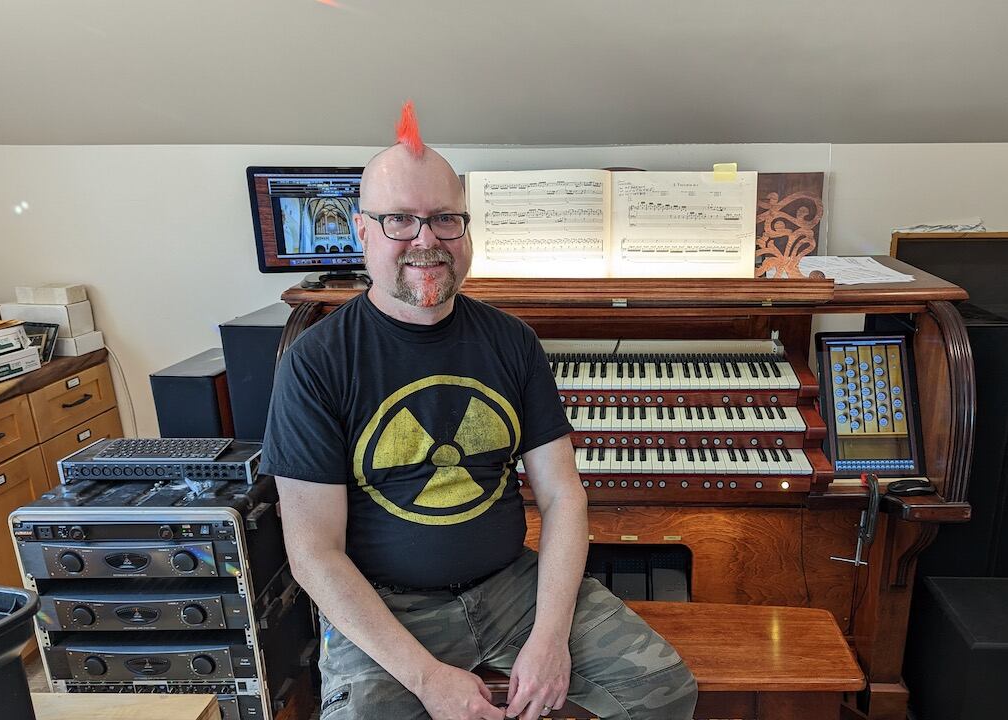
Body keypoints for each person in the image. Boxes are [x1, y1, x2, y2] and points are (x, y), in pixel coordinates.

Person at [259, 105, 698, 720]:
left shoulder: (512, 340)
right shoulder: (317, 360)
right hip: (389, 609)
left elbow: (563, 497)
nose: (426, 240)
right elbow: (313, 552)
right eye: (399, 220)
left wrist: (549, 639)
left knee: (666, 690)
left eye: (445, 219)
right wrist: (426, 678)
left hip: (513, 588)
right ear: (361, 230)